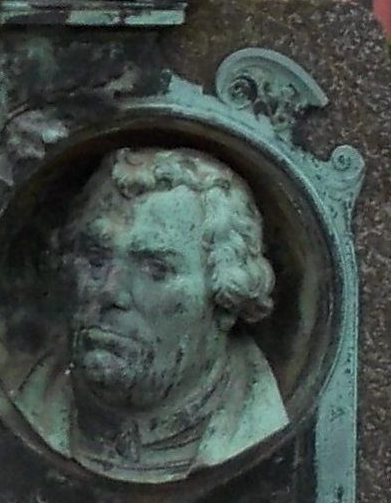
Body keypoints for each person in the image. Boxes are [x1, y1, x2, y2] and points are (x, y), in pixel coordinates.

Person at [17, 143, 286, 480]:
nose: (111, 292)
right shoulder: (21, 413)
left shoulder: (262, 432)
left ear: (226, 298)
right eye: (96, 260)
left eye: (155, 270)